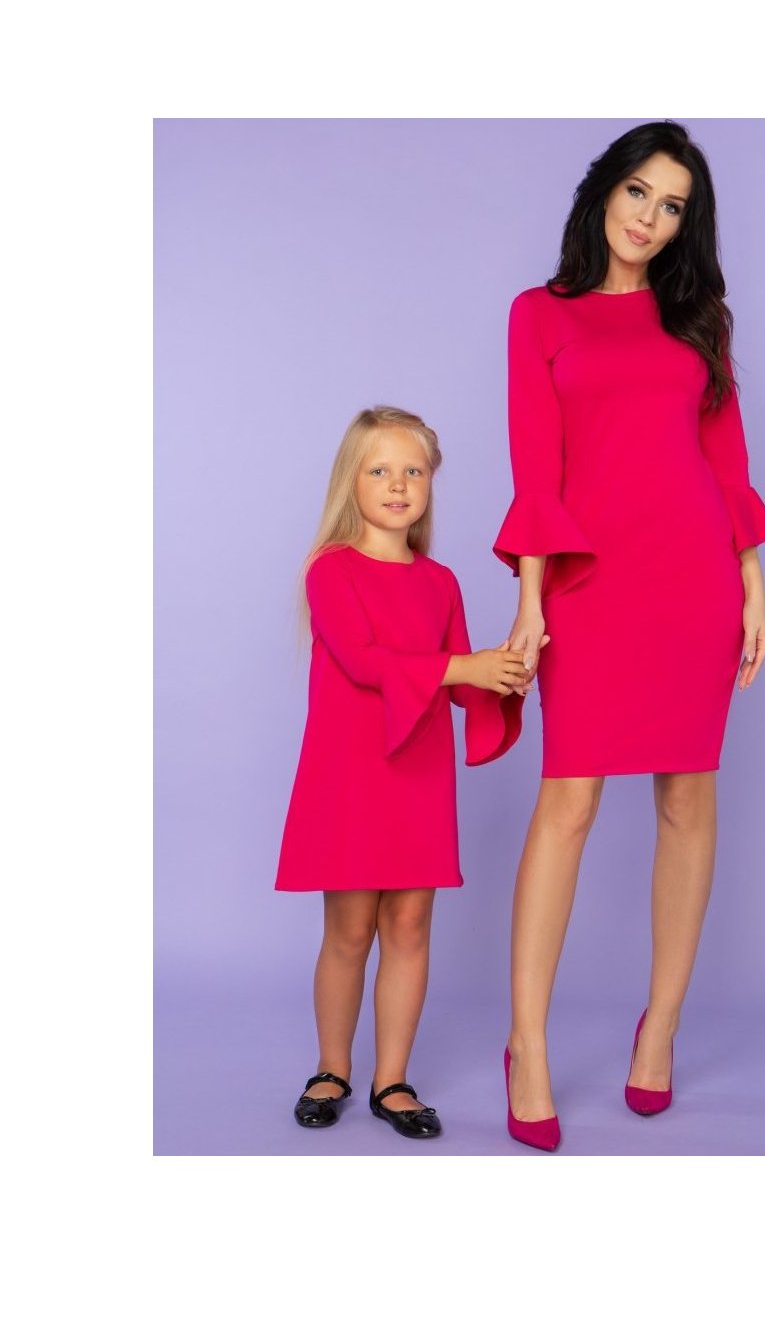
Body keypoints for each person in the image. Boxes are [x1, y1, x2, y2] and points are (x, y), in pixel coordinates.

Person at [493, 121, 765, 1150]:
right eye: (638, 193)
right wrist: (532, 600)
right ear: (603, 191)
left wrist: (751, 586)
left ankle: (659, 1026)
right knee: (567, 802)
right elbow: (536, 465)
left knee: (687, 798)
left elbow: (726, 461)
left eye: (672, 207)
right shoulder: (539, 314)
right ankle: (527, 1042)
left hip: (692, 579)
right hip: (588, 580)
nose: (650, 218)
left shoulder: (698, 321)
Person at [277, 405, 527, 1140]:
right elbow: (364, 661)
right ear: (350, 481)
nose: (397, 484)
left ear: (430, 485)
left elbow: (460, 682)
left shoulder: (441, 581)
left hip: (418, 771)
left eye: (413, 471)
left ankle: (392, 1079)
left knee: (411, 923)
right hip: (351, 772)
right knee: (350, 928)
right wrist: (466, 666)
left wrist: (507, 671)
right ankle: (332, 1066)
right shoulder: (330, 570)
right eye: (380, 469)